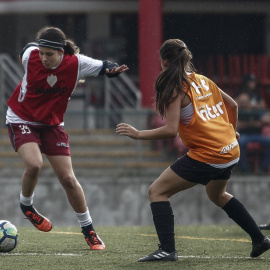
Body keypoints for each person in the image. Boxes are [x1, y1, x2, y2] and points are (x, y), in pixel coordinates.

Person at [116, 39, 270, 262]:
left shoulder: (175, 88)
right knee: (217, 195)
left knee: (157, 191)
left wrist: (139, 134)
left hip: (209, 154)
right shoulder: (203, 80)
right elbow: (233, 106)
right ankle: (260, 240)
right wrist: (231, 132)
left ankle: (167, 250)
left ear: (164, 61)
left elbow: (170, 130)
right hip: (231, 150)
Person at [6, 26, 128, 250]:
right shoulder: (30, 56)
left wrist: (112, 70)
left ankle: (89, 231)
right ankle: (27, 207)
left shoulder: (77, 63)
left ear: (61, 52)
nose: (43, 57)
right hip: (21, 118)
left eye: (49, 54)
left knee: (69, 179)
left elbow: (103, 66)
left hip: (52, 124)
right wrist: (36, 47)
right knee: (34, 164)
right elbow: (27, 48)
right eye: (41, 52)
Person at [236, 93, 270, 173]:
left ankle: (263, 167)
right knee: (239, 143)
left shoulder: (255, 110)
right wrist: (254, 123)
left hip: (257, 135)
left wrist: (246, 124)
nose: (243, 104)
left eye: (245, 101)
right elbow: (237, 126)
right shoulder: (238, 112)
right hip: (244, 136)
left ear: (249, 102)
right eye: (241, 102)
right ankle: (244, 168)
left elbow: (266, 119)